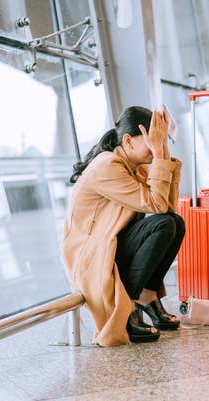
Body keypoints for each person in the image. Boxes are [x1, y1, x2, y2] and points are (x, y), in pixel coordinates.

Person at [62, 106, 184, 346]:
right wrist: (160, 155)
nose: (156, 145)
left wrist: (163, 153)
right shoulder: (107, 166)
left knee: (174, 223)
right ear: (128, 140)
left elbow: (167, 207)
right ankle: (127, 309)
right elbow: (158, 204)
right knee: (163, 225)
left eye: (159, 140)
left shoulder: (133, 166)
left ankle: (147, 296)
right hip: (92, 257)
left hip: (111, 244)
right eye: (151, 140)